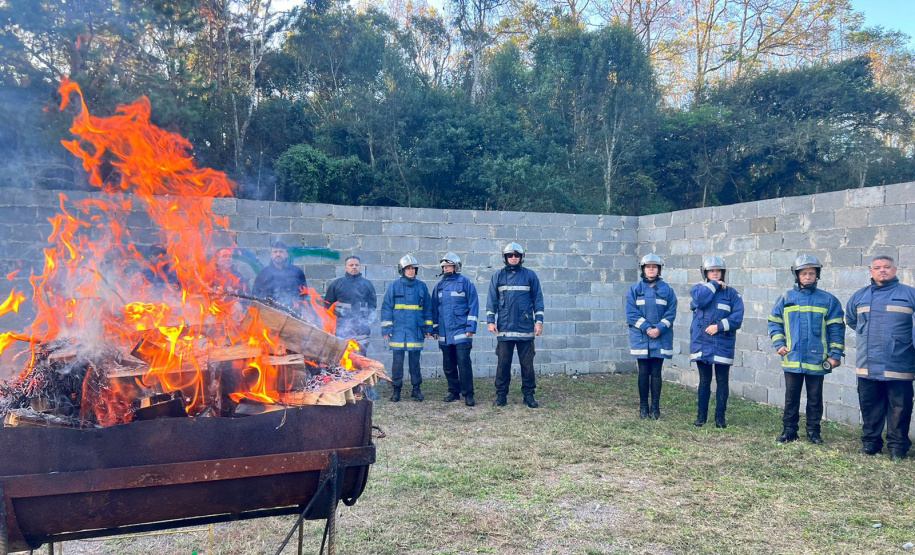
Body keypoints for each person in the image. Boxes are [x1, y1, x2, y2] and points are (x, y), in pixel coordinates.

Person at [768, 254, 844, 445]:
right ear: (797, 275)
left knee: (815, 399)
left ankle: (813, 433)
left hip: (817, 359)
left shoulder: (828, 300)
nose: (808, 276)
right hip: (792, 358)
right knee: (791, 398)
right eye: (804, 273)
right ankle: (789, 430)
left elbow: (836, 329)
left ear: (817, 275)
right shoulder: (786, 298)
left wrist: (834, 355)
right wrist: (779, 344)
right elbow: (774, 323)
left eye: (812, 273)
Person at [845, 255, 915, 461]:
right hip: (867, 364)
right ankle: (871, 443)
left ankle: (898, 447)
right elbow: (851, 320)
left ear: (895, 270)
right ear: (871, 271)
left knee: (900, 408)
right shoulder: (859, 296)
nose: (882, 270)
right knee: (870, 406)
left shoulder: (909, 295)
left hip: (899, 364)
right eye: (877, 267)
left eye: (886, 267)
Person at [486, 242, 545, 408]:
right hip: (504, 328)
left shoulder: (530, 276)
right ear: (505, 258)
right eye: (510, 255)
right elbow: (492, 300)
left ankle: (529, 396)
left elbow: (538, 300)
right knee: (503, 365)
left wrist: (538, 322)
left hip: (525, 329)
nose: (513, 258)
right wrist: (490, 321)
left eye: (516, 255)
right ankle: (501, 396)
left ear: (521, 257)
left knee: (527, 366)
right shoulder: (497, 276)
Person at [689, 256, 744, 428]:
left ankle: (720, 418)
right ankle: (701, 417)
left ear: (723, 272)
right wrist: (713, 285)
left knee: (722, 381)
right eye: (711, 271)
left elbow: (737, 318)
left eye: (718, 271)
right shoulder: (699, 289)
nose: (715, 273)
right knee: (704, 380)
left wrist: (719, 327)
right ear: (705, 273)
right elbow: (700, 300)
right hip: (702, 344)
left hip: (722, 343)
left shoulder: (732, 294)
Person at [626, 253, 677, 419]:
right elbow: (631, 314)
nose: (651, 269)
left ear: (659, 269)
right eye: (648, 267)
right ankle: (643, 407)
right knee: (642, 372)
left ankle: (655, 407)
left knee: (656, 372)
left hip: (660, 337)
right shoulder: (635, 290)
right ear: (643, 269)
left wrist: (659, 329)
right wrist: (648, 328)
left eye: (654, 267)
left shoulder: (667, 290)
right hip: (641, 338)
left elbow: (671, 313)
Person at [381, 254, 432, 402]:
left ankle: (416, 390)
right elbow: (386, 308)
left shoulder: (421, 286)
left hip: (415, 331)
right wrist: (386, 329)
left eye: (413, 268)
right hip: (398, 332)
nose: (411, 271)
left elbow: (427, 308)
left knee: (415, 364)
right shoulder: (394, 286)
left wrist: (428, 328)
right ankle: (396, 390)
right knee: (397, 363)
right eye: (408, 268)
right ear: (402, 270)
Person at [431, 252, 479, 407]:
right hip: (445, 333)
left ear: (456, 266)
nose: (446, 269)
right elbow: (434, 309)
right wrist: (435, 329)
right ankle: (454, 391)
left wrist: (471, 327)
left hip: (462, 332)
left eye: (449, 265)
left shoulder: (465, 283)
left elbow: (473, 305)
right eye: (444, 266)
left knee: (463, 363)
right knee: (448, 365)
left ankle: (468, 394)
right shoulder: (439, 286)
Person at [324, 255, 377, 343]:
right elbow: (327, 305)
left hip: (361, 330)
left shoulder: (367, 284)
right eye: (351, 265)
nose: (354, 267)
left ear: (360, 267)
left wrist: (365, 320)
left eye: (356, 265)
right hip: (341, 329)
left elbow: (373, 306)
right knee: (342, 355)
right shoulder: (336, 284)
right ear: (346, 268)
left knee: (360, 355)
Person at [252, 241, 308, 309]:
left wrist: (299, 302)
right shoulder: (263, 274)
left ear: (286, 254)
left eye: (281, 251)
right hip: (269, 314)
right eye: (275, 252)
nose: (278, 254)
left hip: (293, 314)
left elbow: (304, 292)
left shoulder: (297, 272)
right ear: (271, 255)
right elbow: (255, 294)